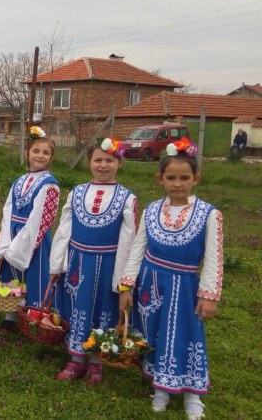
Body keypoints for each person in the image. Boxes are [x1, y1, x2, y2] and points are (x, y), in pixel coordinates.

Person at [118, 138, 222, 420]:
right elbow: (138, 248)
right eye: (171, 178)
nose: (178, 184)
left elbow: (213, 257)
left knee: (187, 335)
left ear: (196, 179)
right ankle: (161, 388)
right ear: (160, 179)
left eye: (184, 178)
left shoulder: (208, 214)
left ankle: (192, 396)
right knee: (155, 332)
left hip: (185, 286)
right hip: (151, 284)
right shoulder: (152, 210)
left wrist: (208, 295)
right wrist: (126, 285)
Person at [49, 138, 138, 385]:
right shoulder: (77, 192)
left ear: (119, 162)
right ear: (89, 161)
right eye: (98, 159)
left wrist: (121, 282)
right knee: (78, 308)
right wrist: (56, 265)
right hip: (77, 264)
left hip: (108, 265)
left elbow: (128, 241)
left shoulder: (127, 199)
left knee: (103, 311)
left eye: (110, 160)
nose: (103, 165)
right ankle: (75, 359)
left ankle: (97, 361)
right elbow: (64, 230)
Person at [0, 126, 60, 334]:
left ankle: (33, 318)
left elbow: (41, 219)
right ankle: (10, 316)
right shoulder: (20, 180)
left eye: (46, 153)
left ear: (51, 158)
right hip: (13, 231)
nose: (40, 156)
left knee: (33, 276)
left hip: (34, 237)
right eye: (36, 151)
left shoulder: (49, 185)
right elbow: (8, 208)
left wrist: (22, 244)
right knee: (11, 276)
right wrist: (6, 237)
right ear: (27, 152)